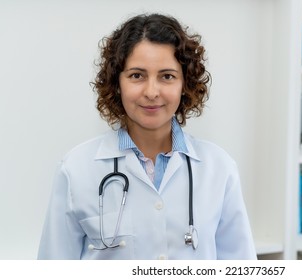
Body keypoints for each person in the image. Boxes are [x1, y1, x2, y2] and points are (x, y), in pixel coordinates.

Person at [38, 13, 256, 260]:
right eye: (137, 75)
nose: (152, 92)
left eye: (167, 76)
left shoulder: (219, 169)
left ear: (185, 84)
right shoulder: (76, 169)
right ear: (117, 83)